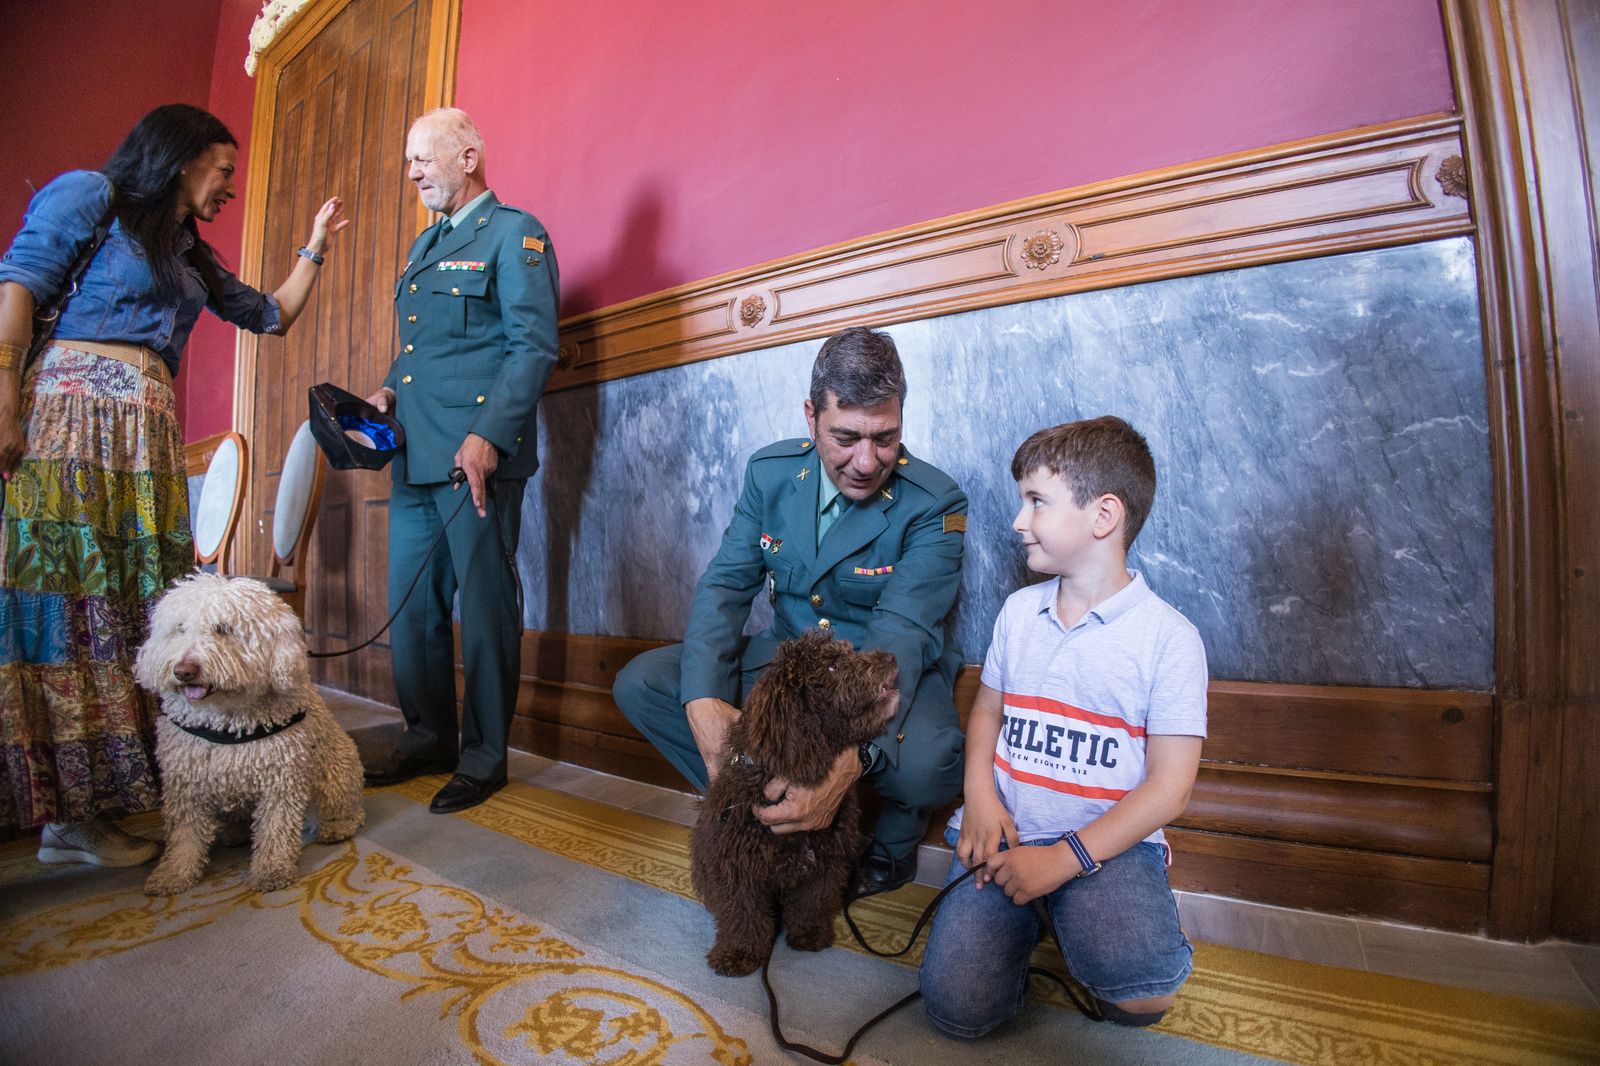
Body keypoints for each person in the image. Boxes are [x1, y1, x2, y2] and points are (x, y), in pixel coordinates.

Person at [0, 103, 347, 864]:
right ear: (182, 157)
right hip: (71, 429)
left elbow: (271, 314)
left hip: (145, 441)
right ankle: (68, 818)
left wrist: (314, 250)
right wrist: (3, 399)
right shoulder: (92, 196)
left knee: (134, 610)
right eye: (224, 169)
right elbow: (19, 285)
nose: (231, 186)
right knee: (69, 606)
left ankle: (119, 802)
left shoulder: (190, 251)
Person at [614, 326, 968, 898]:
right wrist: (703, 702)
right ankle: (760, 809)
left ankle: (886, 844)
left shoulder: (935, 502)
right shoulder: (770, 473)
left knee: (930, 763)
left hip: (879, 671)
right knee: (646, 684)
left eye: (885, 438)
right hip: (793, 663)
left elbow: (899, 635)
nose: (866, 460)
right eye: (846, 436)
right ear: (811, 417)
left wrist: (848, 762)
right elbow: (725, 586)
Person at [918, 416, 1208, 1036]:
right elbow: (988, 713)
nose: (1019, 521)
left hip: (1105, 847)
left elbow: (1170, 789)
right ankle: (1030, 921)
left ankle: (1074, 909)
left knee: (1141, 1000)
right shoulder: (1019, 613)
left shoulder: (1170, 640)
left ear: (1103, 516)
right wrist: (978, 796)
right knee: (957, 1013)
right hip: (1007, 833)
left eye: (1036, 501)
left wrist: (1062, 862)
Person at [362, 107, 559, 814]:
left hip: (476, 457)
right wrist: (387, 388)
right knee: (411, 609)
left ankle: (482, 756)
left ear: (469, 154)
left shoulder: (515, 234)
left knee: (483, 611)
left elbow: (530, 345)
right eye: (409, 159)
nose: (411, 170)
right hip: (415, 457)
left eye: (423, 157)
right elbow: (421, 349)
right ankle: (427, 737)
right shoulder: (425, 245)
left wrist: (489, 436)